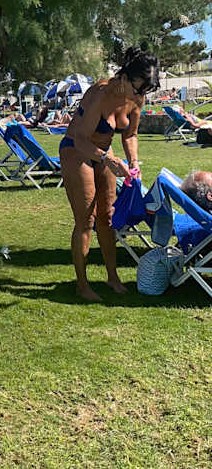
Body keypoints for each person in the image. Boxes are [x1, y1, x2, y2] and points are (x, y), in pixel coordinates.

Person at [61, 48, 160, 301]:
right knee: (86, 219)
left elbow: (130, 134)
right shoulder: (100, 94)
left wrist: (133, 162)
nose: (140, 95)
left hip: (104, 151)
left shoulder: (137, 98)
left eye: (146, 90)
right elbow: (81, 139)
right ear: (124, 77)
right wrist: (108, 159)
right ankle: (82, 285)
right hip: (77, 149)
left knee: (107, 216)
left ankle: (112, 277)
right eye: (138, 88)